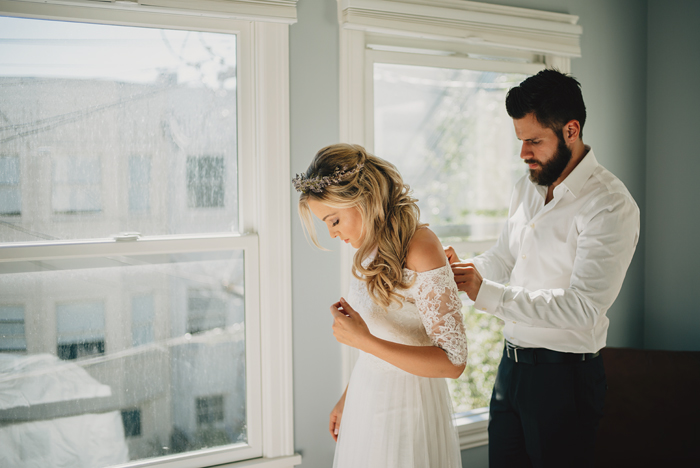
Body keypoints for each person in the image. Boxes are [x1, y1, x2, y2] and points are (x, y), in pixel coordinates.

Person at [445, 68, 640, 468]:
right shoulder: (526, 188)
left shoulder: (610, 205)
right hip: (510, 371)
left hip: (564, 380)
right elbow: (504, 256)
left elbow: (583, 308)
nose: (523, 154)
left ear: (571, 130)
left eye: (534, 141)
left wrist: (488, 293)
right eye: (520, 141)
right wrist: (465, 270)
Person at [293, 143, 468, 468]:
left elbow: (454, 362)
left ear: (360, 198)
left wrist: (364, 341)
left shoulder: (420, 246)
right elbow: (378, 337)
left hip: (409, 408)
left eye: (334, 220)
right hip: (366, 398)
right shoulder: (367, 249)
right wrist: (348, 397)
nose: (332, 234)